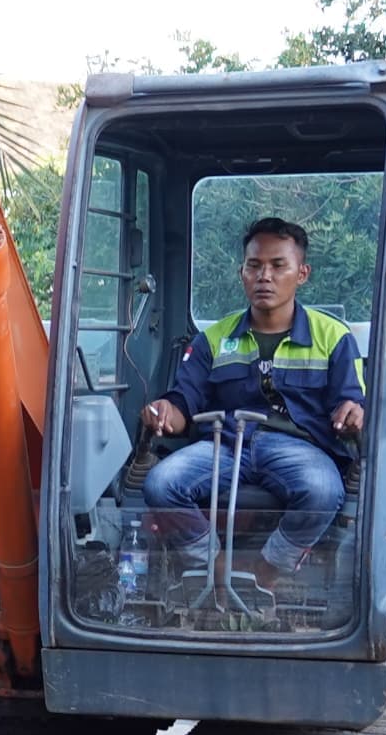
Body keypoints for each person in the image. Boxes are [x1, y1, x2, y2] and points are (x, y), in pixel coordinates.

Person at [136, 216, 365, 582]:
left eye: (278, 266)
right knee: (160, 484)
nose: (265, 276)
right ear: (241, 272)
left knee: (324, 491)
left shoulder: (333, 336)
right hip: (226, 444)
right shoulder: (214, 338)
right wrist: (165, 412)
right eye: (254, 266)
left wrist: (353, 413)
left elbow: (351, 402)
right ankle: (214, 567)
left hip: (299, 448)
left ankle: (265, 571)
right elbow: (183, 403)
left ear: (302, 273)